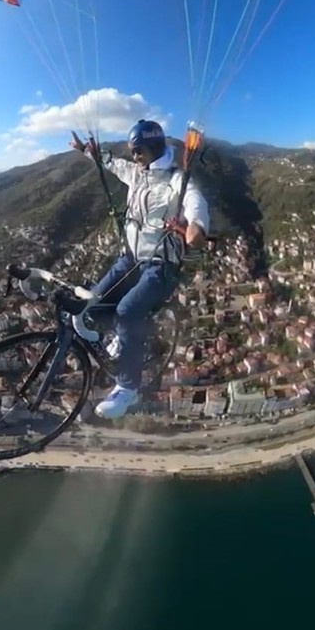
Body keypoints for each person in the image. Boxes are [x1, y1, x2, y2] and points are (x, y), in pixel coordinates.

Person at [69, 120, 210, 419]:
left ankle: (128, 387)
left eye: (138, 151)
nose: (134, 156)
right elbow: (112, 164)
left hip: (160, 265)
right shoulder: (136, 173)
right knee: (91, 305)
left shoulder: (175, 180)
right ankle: (124, 337)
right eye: (132, 151)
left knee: (127, 311)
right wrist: (86, 151)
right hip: (131, 258)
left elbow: (194, 200)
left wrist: (196, 226)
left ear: (153, 147)